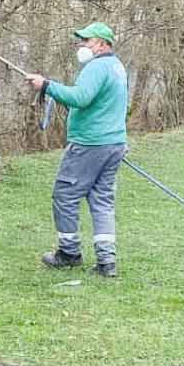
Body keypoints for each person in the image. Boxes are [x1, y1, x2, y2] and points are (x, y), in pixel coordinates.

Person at [26, 22, 128, 278]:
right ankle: (107, 261)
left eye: (87, 40)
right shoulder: (116, 66)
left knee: (65, 195)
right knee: (102, 200)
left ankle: (69, 253)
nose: (82, 45)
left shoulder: (97, 67)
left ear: (102, 44)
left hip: (90, 144)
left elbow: (81, 98)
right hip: (114, 144)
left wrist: (46, 86)